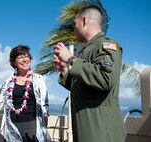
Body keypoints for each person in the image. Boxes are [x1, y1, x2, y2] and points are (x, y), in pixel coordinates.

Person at [53, 5, 126, 142]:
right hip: (85, 128)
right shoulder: (85, 50)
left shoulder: (105, 44)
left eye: (75, 23)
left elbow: (105, 79)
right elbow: (81, 87)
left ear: (84, 21)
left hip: (101, 129)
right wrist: (63, 68)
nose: (74, 28)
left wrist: (71, 58)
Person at [0, 45, 51, 142]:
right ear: (14, 62)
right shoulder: (8, 83)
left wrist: (44, 129)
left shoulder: (39, 80)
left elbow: (44, 106)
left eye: (26, 56)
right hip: (12, 129)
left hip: (33, 127)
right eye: (20, 57)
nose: (25, 59)